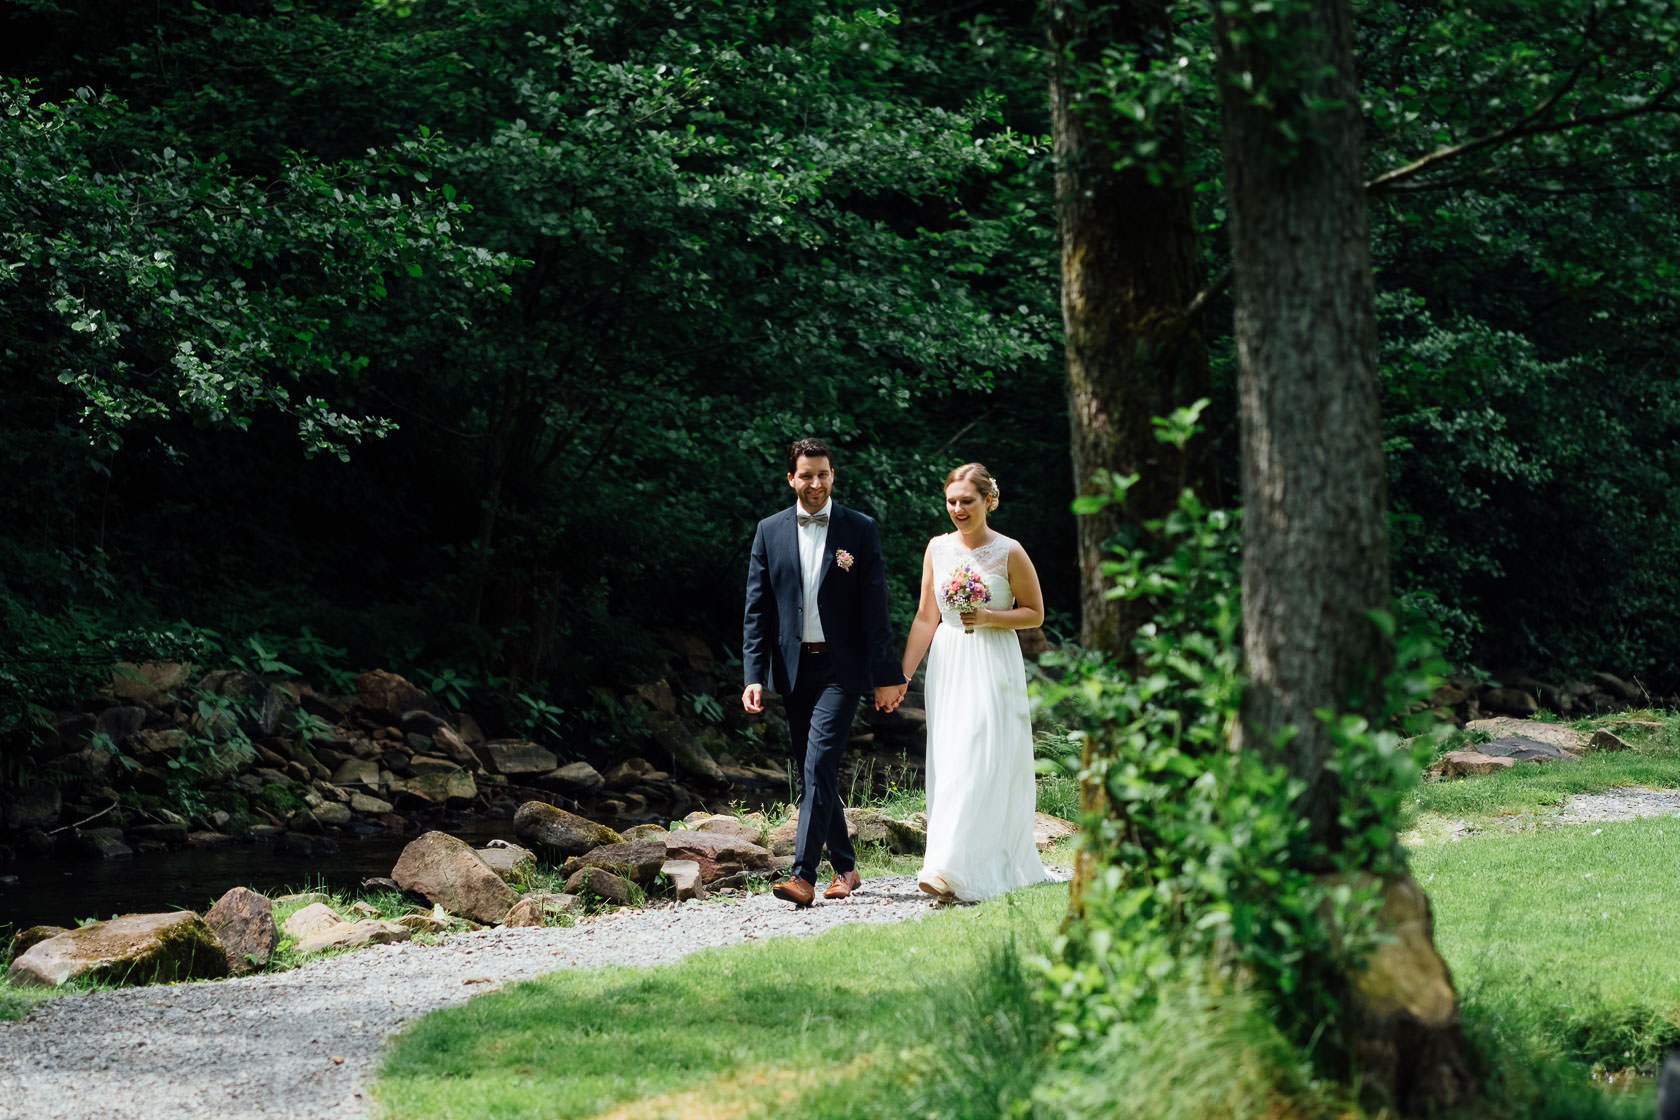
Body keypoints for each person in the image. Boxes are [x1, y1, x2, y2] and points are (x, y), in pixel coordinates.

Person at [742, 438, 906, 908]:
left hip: (843, 668)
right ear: (791, 478)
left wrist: (886, 674)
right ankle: (848, 868)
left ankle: (802, 876)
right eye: (807, 475)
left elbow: (875, 608)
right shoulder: (768, 531)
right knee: (817, 771)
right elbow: (758, 609)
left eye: (824, 474)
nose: (816, 483)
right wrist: (754, 673)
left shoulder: (859, 529)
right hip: (793, 669)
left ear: (833, 475)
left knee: (817, 765)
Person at [897, 463, 1049, 903]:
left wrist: (988, 617)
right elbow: (927, 616)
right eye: (952, 501)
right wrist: (902, 676)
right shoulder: (937, 549)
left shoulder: (1009, 552)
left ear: (989, 500)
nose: (958, 509)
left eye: (967, 501)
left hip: (994, 661)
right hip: (949, 662)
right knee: (952, 758)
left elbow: (1035, 613)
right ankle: (949, 861)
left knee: (981, 754)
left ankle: (949, 870)